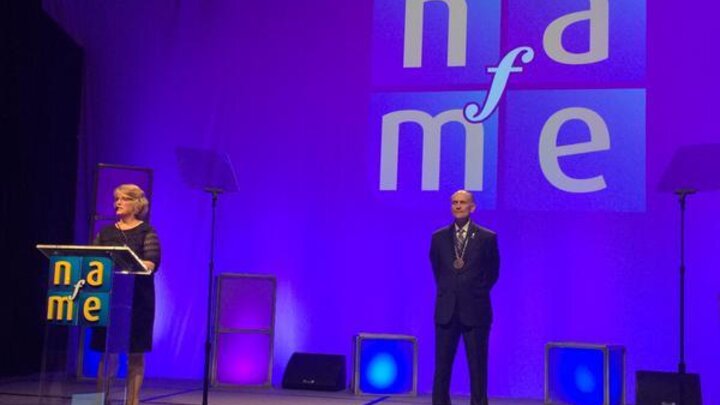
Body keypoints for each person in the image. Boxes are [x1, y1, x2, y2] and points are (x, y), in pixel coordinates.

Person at [91, 184, 160, 405]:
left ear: (137, 204)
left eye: (124, 199)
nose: (117, 203)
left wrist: (129, 264)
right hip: (109, 300)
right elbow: (94, 263)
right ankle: (100, 400)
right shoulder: (105, 233)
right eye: (116, 199)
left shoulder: (147, 232)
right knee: (106, 353)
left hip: (137, 300)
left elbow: (151, 263)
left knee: (135, 353)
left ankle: (132, 401)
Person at [430, 190, 499, 405]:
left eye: (462, 202)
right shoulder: (439, 237)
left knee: (477, 367)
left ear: (472, 208)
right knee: (442, 367)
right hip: (446, 311)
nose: (458, 206)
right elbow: (437, 269)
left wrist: (473, 291)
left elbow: (493, 272)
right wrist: (451, 290)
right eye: (454, 202)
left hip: (475, 311)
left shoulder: (487, 238)